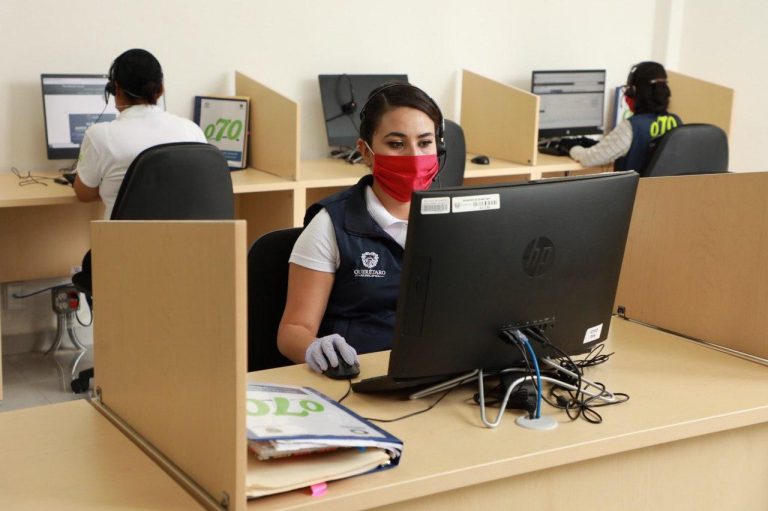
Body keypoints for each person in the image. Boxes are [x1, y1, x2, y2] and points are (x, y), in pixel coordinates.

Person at [277, 82, 444, 374]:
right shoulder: (330, 223)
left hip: (438, 372)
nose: (414, 156)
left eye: (425, 143)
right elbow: (292, 331)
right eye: (396, 144)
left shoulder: (454, 220)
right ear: (365, 152)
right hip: (357, 377)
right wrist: (314, 347)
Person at [74, 48, 206, 218]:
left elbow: (84, 194)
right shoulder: (193, 131)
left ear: (116, 89)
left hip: (124, 236)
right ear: (161, 90)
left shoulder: (99, 135)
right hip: (183, 235)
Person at [568, 61, 682, 172]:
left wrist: (571, 147)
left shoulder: (632, 127)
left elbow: (589, 159)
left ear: (633, 92)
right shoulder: (676, 122)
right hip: (666, 185)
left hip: (635, 185)